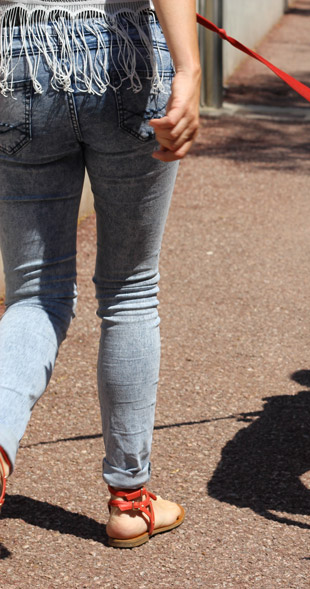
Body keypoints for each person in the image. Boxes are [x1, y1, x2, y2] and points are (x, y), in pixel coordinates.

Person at [0, 0, 200, 546]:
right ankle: (131, 503)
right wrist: (189, 69)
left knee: (35, 296)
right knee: (130, 290)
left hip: (20, 53)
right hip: (126, 54)